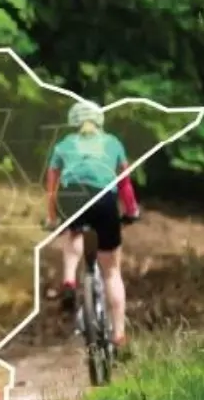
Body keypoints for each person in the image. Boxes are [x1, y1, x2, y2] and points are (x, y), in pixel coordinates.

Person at [44, 99, 140, 355]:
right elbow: (125, 183)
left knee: (73, 232)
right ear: (100, 121)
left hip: (71, 196)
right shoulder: (113, 143)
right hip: (104, 200)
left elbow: (51, 188)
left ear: (73, 122)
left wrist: (52, 218)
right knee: (111, 272)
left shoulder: (64, 144)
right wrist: (132, 211)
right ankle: (119, 335)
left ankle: (68, 280)